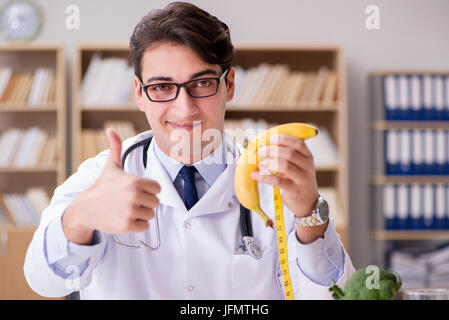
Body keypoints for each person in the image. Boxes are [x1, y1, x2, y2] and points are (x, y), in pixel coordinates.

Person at [24, 1, 355, 299]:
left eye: (202, 83)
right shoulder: (99, 178)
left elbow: (332, 296)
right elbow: (44, 281)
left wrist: (310, 217)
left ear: (229, 85)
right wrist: (82, 217)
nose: (185, 109)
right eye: (163, 87)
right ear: (139, 94)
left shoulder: (276, 183)